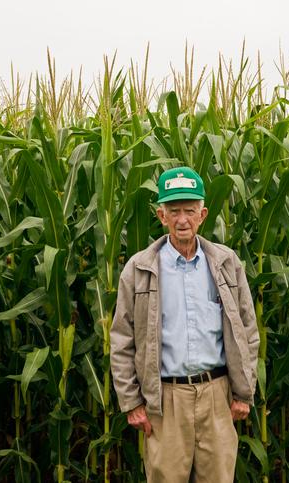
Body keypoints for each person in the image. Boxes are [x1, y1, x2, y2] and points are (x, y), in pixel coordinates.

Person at [110, 166, 259, 482]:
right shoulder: (138, 270)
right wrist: (132, 402)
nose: (182, 220)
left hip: (217, 394)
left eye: (189, 211)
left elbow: (247, 329)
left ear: (202, 214)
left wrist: (244, 392)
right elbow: (121, 342)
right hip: (165, 401)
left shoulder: (227, 263)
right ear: (161, 216)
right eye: (173, 211)